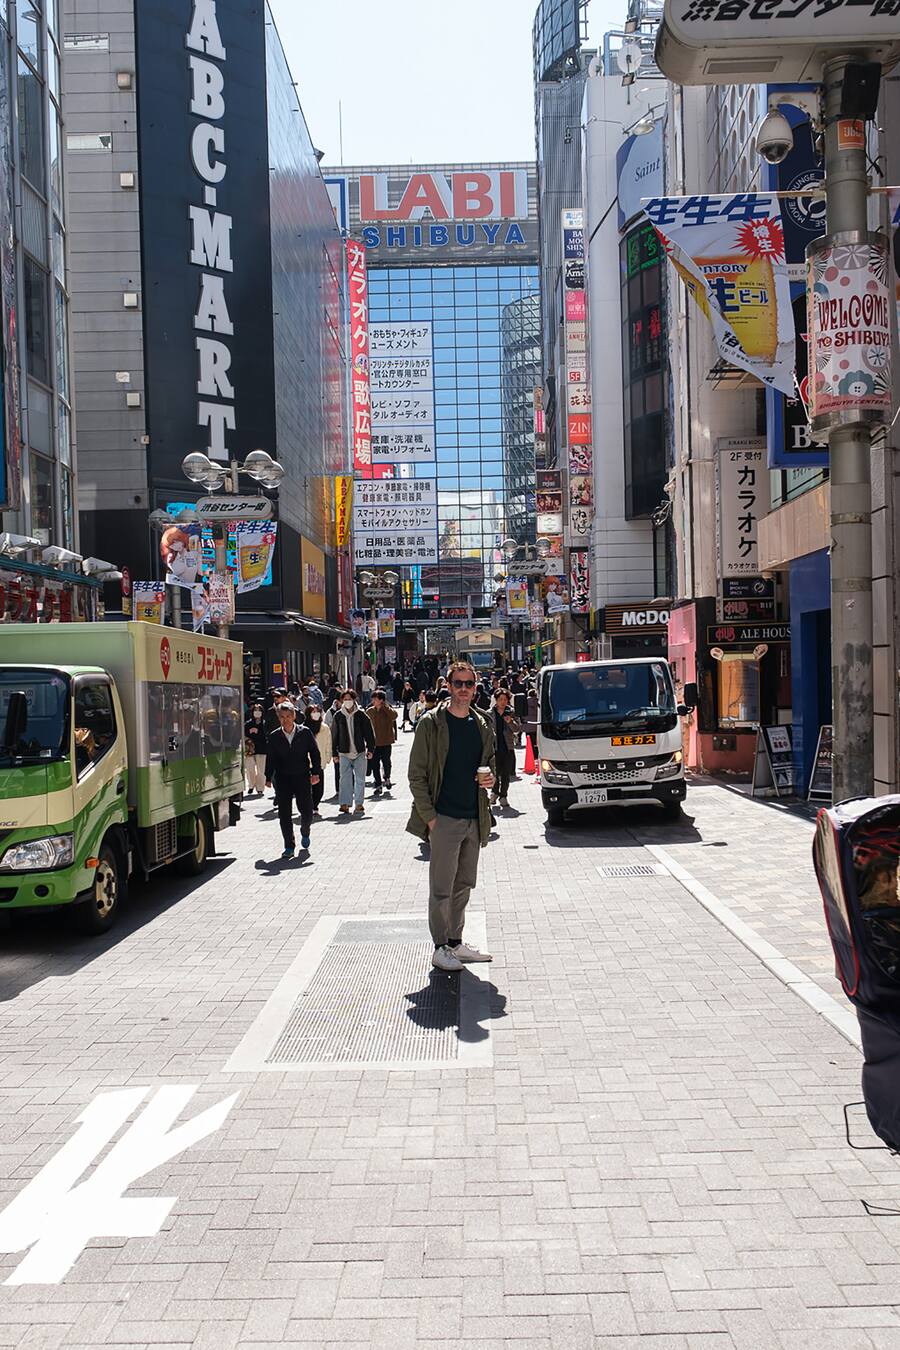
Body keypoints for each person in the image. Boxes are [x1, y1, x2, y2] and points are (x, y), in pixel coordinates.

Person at [407, 659, 497, 972]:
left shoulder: (482, 723)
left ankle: (456, 942)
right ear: (447, 685)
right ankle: (440, 946)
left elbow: (491, 765)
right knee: (441, 888)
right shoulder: (431, 723)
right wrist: (431, 819)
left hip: (474, 816)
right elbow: (416, 775)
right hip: (444, 818)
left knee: (464, 884)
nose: (463, 689)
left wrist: (491, 779)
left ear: (475, 688)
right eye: (457, 683)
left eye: (468, 684)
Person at [264, 701, 322, 858]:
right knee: (284, 814)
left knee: (307, 811)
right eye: (282, 717)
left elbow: (315, 753)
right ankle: (289, 845)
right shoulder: (275, 736)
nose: (285, 719)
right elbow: (271, 758)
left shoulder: (305, 732)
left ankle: (305, 831)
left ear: (294, 716)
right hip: (283, 778)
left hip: (302, 776)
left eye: (288, 716)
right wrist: (268, 777)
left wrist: (315, 772)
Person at [331, 688, 376, 814]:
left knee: (360, 779)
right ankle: (345, 803)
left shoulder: (361, 715)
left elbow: (369, 734)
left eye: (349, 699)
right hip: (344, 752)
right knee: (344, 779)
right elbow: (334, 735)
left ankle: (359, 803)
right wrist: (334, 753)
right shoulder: (338, 716)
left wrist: (370, 749)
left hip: (360, 752)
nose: (347, 701)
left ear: (354, 700)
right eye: (345, 699)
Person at [490, 689, 521, 810]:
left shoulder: (511, 713)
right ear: (496, 700)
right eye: (500, 699)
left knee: (506, 775)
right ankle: (495, 792)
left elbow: (517, 729)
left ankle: (503, 796)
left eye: (505, 699)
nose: (502, 702)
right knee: (495, 774)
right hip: (494, 748)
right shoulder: (490, 713)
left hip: (508, 748)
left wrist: (510, 722)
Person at [367, 689, 398, 791]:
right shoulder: (370, 711)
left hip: (386, 741)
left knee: (386, 762)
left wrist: (385, 707)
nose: (373, 701)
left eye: (375, 699)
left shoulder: (388, 710)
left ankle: (387, 778)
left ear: (381, 700)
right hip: (374, 743)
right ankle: (378, 783)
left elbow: (394, 716)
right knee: (375, 764)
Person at [304, 704, 332, 817]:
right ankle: (308, 807)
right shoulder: (303, 728)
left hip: (319, 762)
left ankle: (315, 805)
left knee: (319, 788)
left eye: (317, 711)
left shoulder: (324, 728)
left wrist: (328, 756)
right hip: (305, 762)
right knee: (306, 787)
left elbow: (328, 743)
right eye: (313, 711)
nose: (315, 714)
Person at [244, 702, 267, 797]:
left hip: (262, 749)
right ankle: (251, 785)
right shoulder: (248, 723)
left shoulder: (265, 724)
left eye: (259, 711)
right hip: (250, 749)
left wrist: (258, 732)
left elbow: (266, 735)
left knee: (261, 770)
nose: (257, 713)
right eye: (255, 711)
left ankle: (260, 788)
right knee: (250, 768)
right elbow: (244, 734)